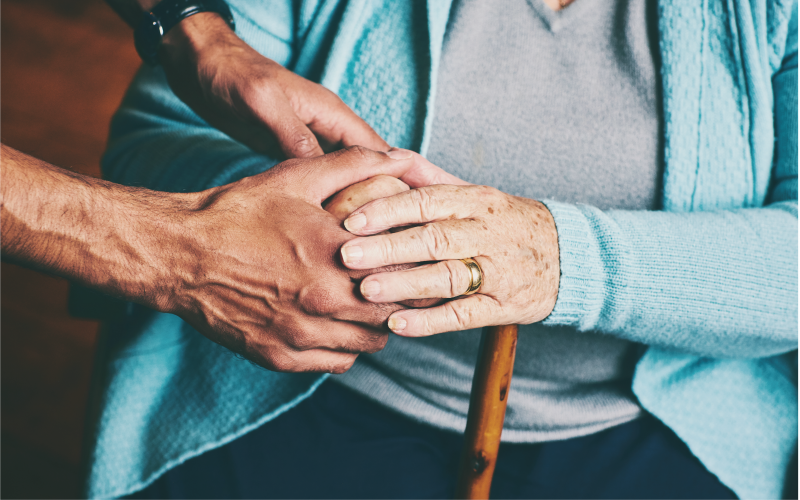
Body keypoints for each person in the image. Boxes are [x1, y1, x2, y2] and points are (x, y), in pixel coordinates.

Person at [85, 0, 797, 499]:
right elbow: (147, 150)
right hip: (298, 391)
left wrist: (558, 260)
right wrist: (306, 212)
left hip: (652, 430)